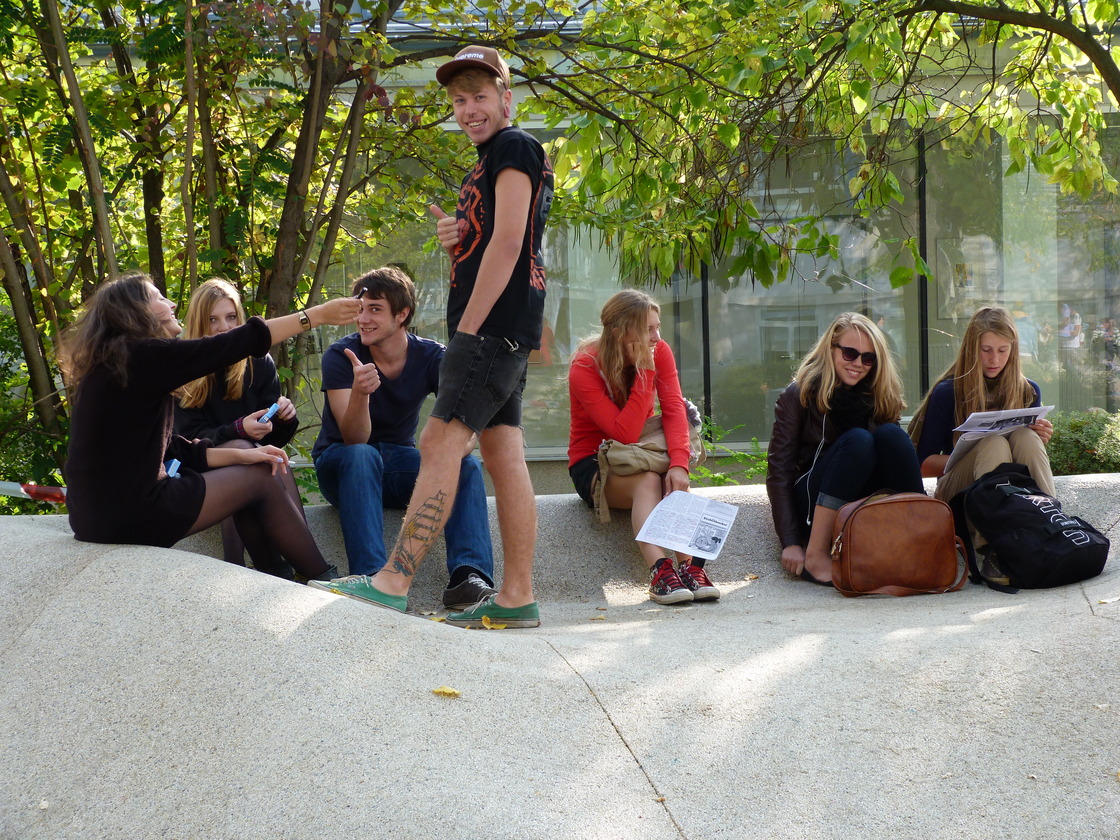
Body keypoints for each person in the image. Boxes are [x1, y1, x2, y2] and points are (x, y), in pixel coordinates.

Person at [310, 45, 554, 628]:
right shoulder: (489, 158)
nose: (469, 108)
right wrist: (458, 234)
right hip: (506, 326)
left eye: (480, 96)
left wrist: (467, 328)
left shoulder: (515, 146)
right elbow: (491, 236)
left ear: (506, 98)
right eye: (459, 99)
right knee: (503, 455)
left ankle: (392, 580)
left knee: (441, 443)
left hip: (490, 328)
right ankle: (516, 596)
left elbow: (511, 241)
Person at [61, 271, 360, 580]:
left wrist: (242, 455)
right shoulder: (143, 357)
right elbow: (237, 341)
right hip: (131, 514)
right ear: (136, 312)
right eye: (160, 298)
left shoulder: (113, 366)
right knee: (260, 477)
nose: (172, 303)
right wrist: (316, 315)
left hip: (93, 517)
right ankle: (322, 579)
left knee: (257, 464)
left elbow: (170, 446)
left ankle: (279, 577)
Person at [310, 266, 496, 609]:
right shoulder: (341, 356)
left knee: (465, 465)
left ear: (403, 313)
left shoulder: (433, 356)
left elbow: (466, 429)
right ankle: (371, 576)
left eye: (375, 309)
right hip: (342, 463)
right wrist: (360, 393)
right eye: (360, 309)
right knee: (362, 455)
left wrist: (449, 451)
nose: (363, 319)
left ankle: (469, 578)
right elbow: (353, 438)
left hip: (397, 462)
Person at [568, 289, 718, 604]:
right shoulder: (584, 366)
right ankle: (659, 571)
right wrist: (645, 371)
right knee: (650, 478)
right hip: (595, 463)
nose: (657, 336)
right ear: (621, 331)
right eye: (648, 329)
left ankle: (690, 566)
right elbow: (624, 431)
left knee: (669, 475)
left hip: (644, 452)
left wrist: (679, 464)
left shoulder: (659, 349)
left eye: (657, 327)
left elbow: (675, 411)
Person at [766, 312, 924, 586]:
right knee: (859, 440)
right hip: (814, 501)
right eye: (850, 353)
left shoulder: (879, 395)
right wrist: (790, 542)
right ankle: (816, 555)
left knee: (891, 435)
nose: (858, 364)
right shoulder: (799, 394)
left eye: (868, 357)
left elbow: (894, 458)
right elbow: (778, 473)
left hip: (863, 500)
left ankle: (922, 541)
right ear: (831, 349)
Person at [908, 307, 1055, 583]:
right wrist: (968, 453)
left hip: (1011, 492)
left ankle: (1049, 524)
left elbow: (1025, 451)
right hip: (958, 493)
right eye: (986, 349)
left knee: (1026, 437)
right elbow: (922, 465)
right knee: (992, 442)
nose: (994, 359)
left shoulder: (1028, 391)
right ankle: (993, 549)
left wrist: (1040, 435)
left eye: (1002, 350)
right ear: (971, 349)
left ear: (1013, 349)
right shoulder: (948, 392)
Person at [174, 277, 300, 579]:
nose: (223, 328)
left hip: (253, 460)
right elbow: (188, 441)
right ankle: (237, 567)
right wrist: (238, 431)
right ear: (198, 323)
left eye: (231, 317)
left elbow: (274, 439)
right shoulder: (182, 366)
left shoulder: (258, 361)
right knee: (242, 455)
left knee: (264, 458)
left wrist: (284, 418)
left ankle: (294, 566)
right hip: (198, 465)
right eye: (213, 319)